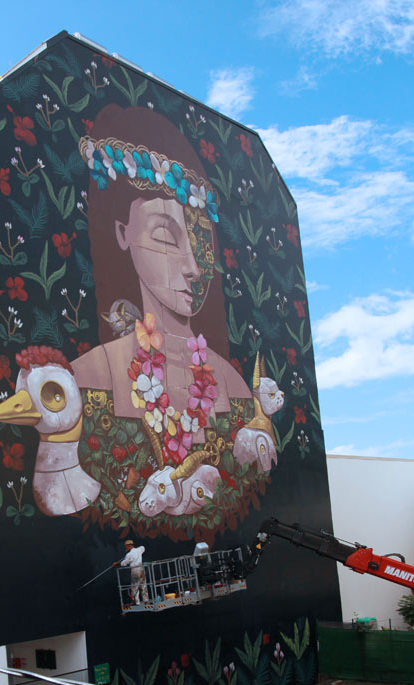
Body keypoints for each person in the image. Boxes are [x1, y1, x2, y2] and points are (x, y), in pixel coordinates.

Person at [72, 104, 250, 448]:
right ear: (123, 234)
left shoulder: (235, 388)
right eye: (166, 235)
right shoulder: (87, 378)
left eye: (200, 243)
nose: (193, 268)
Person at [114, 539, 149, 604]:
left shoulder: (129, 554)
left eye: (126, 546)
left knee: (134, 586)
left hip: (135, 570)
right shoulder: (139, 550)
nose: (125, 547)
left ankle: (137, 602)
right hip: (141, 569)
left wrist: (117, 563)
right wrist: (137, 549)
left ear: (129, 545)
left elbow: (124, 563)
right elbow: (143, 547)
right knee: (143, 585)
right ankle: (146, 600)